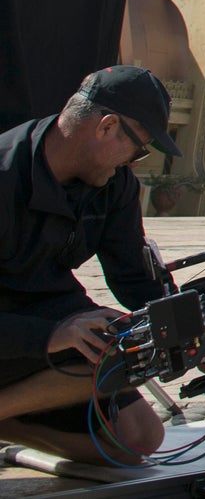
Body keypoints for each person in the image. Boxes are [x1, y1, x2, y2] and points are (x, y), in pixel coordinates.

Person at [0, 67, 180, 462]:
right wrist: (51, 336)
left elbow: (134, 277)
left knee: (138, 441)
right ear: (106, 126)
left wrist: (191, 325)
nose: (135, 163)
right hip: (15, 331)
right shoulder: (5, 175)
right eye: (140, 148)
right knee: (108, 356)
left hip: (50, 322)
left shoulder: (113, 185)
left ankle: (7, 421)